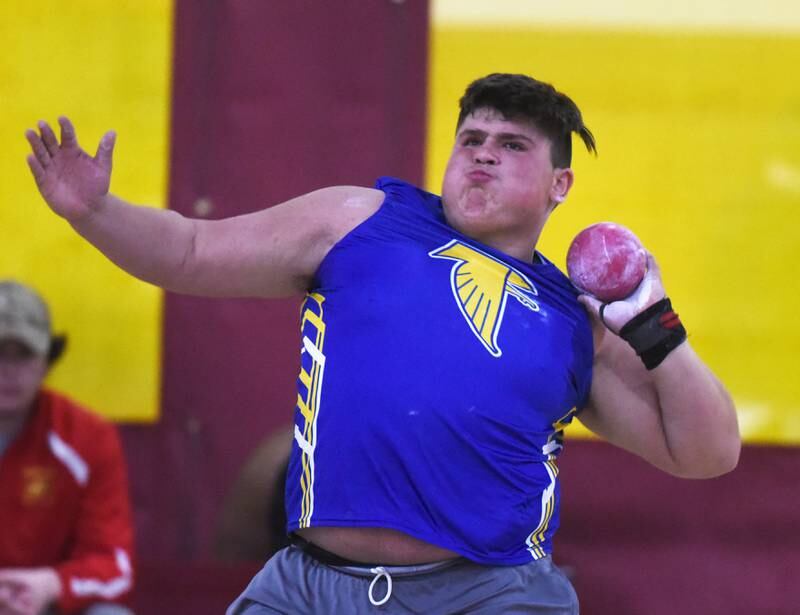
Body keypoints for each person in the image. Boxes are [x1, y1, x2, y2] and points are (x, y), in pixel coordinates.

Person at [24, 73, 740, 614]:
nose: (483, 157)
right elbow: (188, 251)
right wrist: (95, 212)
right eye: (472, 141)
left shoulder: (570, 316)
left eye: (512, 145)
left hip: (488, 595)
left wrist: (651, 322)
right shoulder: (358, 219)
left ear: (561, 184)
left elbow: (705, 451)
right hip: (311, 585)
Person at [0, 281, 135, 615]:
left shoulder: (87, 436)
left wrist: (53, 584)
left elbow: (115, 564)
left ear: (47, 362)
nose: (9, 371)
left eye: (25, 355)